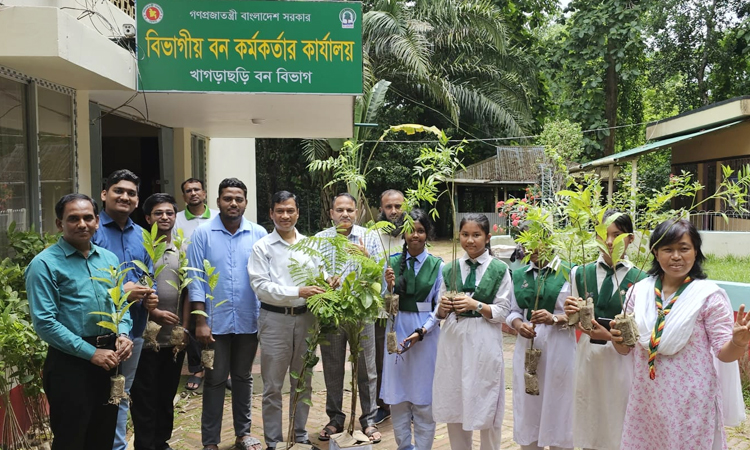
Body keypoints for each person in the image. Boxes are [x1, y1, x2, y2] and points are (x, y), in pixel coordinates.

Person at [611, 218, 749, 450]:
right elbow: (626, 349)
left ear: (696, 252)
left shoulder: (708, 296)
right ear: (655, 253)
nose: (676, 256)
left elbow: (724, 355)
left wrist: (737, 342)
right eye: (668, 249)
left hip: (691, 400)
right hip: (647, 398)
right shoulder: (639, 291)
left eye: (684, 249)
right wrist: (617, 340)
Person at [26, 194, 133, 450]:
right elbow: (45, 322)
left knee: (103, 433)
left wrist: (124, 333)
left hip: (109, 358)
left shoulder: (108, 259)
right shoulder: (44, 264)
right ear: (59, 224)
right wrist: (90, 352)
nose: (82, 224)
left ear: (97, 221)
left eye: (88, 217)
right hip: (70, 362)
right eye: (73, 218)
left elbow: (120, 304)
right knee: (71, 437)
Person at [188, 177, 267, 450]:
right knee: (215, 379)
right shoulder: (202, 234)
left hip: (249, 319)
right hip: (214, 323)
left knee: (244, 377)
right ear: (218, 201)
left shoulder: (258, 234)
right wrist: (200, 320)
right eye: (227, 198)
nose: (233, 203)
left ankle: (243, 434)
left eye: (239, 199)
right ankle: (210, 441)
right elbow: (195, 278)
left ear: (245, 202)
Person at [248, 190, 325, 450]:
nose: (285, 215)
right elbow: (260, 286)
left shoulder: (311, 245)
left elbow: (321, 279)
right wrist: (298, 292)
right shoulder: (262, 247)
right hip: (274, 320)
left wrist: (328, 284)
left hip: (307, 319)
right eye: (279, 210)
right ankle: (273, 441)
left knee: (303, 381)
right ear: (271, 213)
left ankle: (299, 435)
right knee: (272, 385)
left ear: (298, 213)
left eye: (290, 210)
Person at [563, 210, 646, 450]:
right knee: (589, 419)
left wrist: (609, 336)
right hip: (588, 358)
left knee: (618, 422)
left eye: (617, 235)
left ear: (630, 239)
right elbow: (574, 320)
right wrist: (570, 313)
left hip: (622, 362)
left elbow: (640, 332)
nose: (609, 242)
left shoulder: (641, 279)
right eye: (603, 235)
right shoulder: (580, 273)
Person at [432, 214, 512, 450]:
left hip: (483, 339)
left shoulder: (499, 269)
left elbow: (503, 310)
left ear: (487, 238)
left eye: (476, 235)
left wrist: (476, 305)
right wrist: (443, 308)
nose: (470, 240)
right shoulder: (450, 268)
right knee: (455, 397)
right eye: (465, 234)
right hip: (454, 341)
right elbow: (439, 305)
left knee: (486, 397)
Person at [92, 169, 158, 450]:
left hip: (134, 332)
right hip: (96, 334)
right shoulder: (90, 230)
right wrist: (121, 293)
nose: (125, 196)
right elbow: (85, 286)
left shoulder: (143, 235)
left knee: (120, 393)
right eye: (118, 190)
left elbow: (148, 276)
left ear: (137, 200)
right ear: (104, 194)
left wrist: (148, 298)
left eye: (131, 193)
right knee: (94, 396)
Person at [316, 193, 383, 443]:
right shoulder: (320, 239)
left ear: (358, 212)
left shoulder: (371, 237)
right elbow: (312, 270)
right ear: (331, 213)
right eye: (340, 210)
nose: (345, 214)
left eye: (350, 210)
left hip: (361, 313)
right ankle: (335, 418)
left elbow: (379, 278)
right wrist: (324, 282)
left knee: (367, 369)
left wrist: (366, 258)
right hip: (332, 314)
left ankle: (369, 419)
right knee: (333, 368)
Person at [131, 193, 191, 450]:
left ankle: (162, 442)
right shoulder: (140, 249)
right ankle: (145, 445)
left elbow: (190, 291)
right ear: (147, 218)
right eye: (158, 213)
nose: (164, 217)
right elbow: (132, 289)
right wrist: (153, 314)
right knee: (144, 395)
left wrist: (184, 328)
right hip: (146, 338)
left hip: (173, 339)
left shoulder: (183, 249)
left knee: (167, 395)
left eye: (169, 213)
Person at [382, 209, 443, 450]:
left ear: (427, 234)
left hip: (425, 334)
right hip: (396, 330)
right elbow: (382, 302)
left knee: (424, 395)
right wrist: (387, 286)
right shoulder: (392, 262)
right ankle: (404, 446)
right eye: (411, 230)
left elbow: (440, 305)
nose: (415, 235)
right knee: (398, 395)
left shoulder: (437, 265)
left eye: (420, 230)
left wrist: (423, 330)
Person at [507, 244, 575, 450]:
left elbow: (578, 314)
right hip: (528, 346)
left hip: (559, 347)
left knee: (559, 403)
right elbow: (513, 311)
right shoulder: (520, 275)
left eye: (539, 242)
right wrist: (519, 325)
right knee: (529, 406)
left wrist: (554, 317)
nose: (533, 249)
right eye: (527, 244)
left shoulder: (569, 272)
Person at [174, 177, 218, 391]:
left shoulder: (218, 217)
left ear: (205, 193)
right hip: (187, 278)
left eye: (197, 189)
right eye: (188, 190)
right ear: (184, 196)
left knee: (217, 321)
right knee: (191, 323)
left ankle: (218, 369)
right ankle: (196, 368)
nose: (193, 193)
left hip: (214, 278)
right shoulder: (176, 220)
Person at [374, 189, 406, 424]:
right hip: (379, 308)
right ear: (381, 210)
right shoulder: (372, 236)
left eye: (397, 206)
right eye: (388, 207)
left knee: (406, 354)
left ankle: (407, 403)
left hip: (407, 308)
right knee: (378, 357)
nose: (393, 211)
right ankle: (382, 405)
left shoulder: (413, 232)